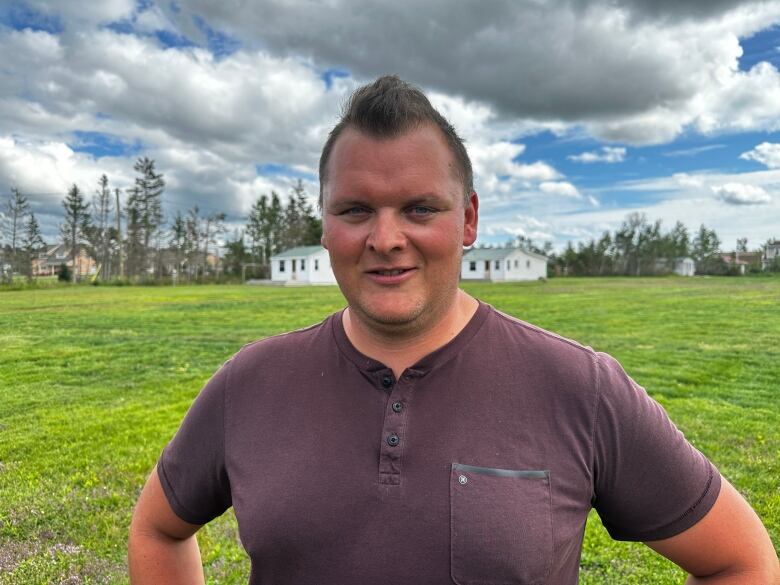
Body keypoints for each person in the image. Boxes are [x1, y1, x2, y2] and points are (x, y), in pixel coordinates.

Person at [128, 75, 779, 584]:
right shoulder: (251, 383)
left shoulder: (582, 387)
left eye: (419, 208)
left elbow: (743, 560)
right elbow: (157, 528)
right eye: (356, 209)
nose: (386, 239)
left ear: (467, 220)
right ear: (324, 222)